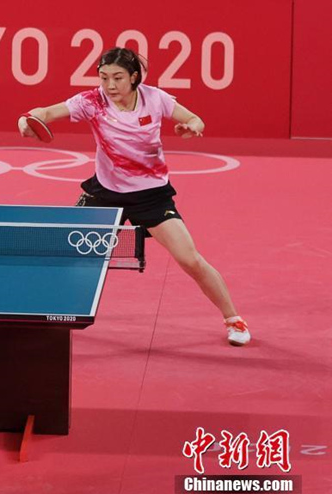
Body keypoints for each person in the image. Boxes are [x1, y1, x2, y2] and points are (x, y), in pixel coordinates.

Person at [18, 47, 250, 346]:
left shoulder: (155, 99)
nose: (110, 86)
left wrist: (192, 127)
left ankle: (234, 318)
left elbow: (194, 118)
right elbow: (46, 113)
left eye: (117, 78)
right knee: (67, 254)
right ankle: (41, 315)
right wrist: (26, 120)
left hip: (151, 195)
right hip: (105, 193)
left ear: (134, 77)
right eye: (104, 78)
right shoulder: (92, 101)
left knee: (189, 259)